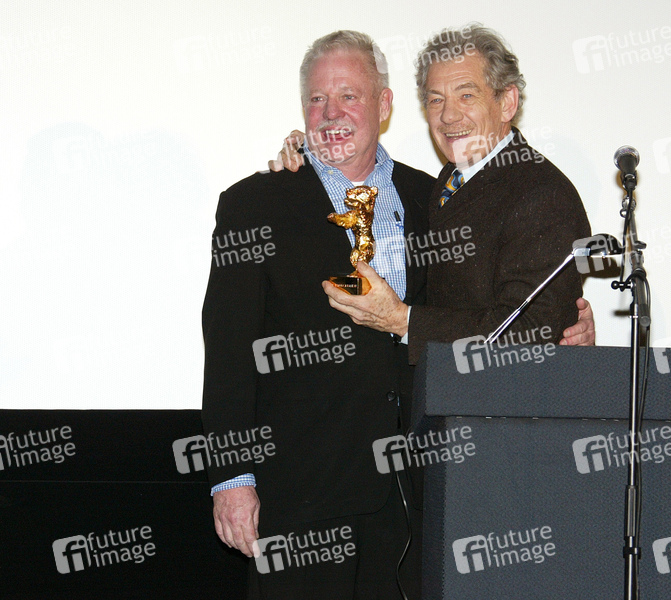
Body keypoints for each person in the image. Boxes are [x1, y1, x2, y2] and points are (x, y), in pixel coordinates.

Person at [204, 29, 594, 600]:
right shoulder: (254, 204)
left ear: (384, 106)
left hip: (419, 497)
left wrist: (556, 328)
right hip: (300, 502)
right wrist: (232, 479)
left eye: (349, 96)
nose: (331, 113)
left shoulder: (428, 196)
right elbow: (229, 354)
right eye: (317, 99)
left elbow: (489, 310)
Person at [318, 25, 591, 361]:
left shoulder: (542, 195)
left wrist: (403, 321)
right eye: (436, 100)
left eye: (466, 95)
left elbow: (529, 332)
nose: (448, 115)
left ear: (507, 102)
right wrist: (306, 152)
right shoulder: (444, 183)